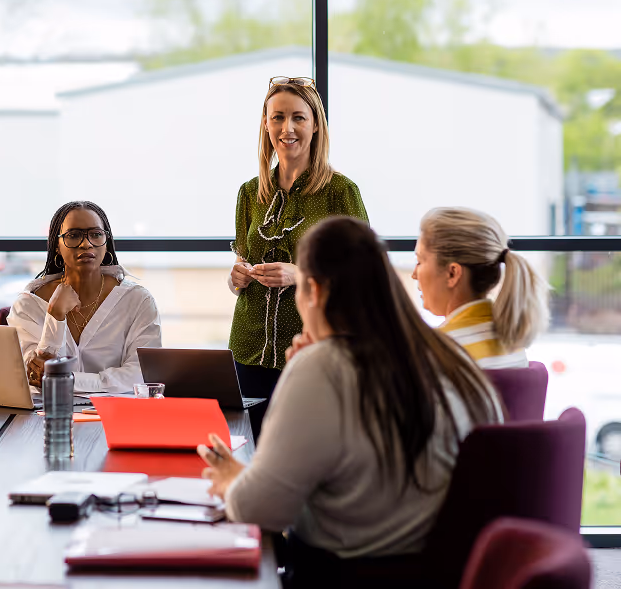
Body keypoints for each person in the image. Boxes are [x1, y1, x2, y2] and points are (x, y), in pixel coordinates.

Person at [201, 217, 502, 584]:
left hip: (347, 573)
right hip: (444, 572)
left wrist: (236, 478)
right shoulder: (453, 359)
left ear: (312, 290)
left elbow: (261, 510)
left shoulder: (324, 366)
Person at [229, 76, 368, 433]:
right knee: (255, 451)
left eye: (298, 118)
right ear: (265, 123)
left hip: (312, 349)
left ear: (316, 125)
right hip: (248, 349)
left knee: (307, 452)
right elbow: (242, 264)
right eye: (277, 117)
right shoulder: (249, 193)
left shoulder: (341, 192)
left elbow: (365, 276)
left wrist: (299, 274)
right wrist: (237, 277)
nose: (286, 128)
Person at [7, 200, 161, 393]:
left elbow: (140, 375)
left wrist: (70, 381)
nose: (86, 244)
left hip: (115, 414)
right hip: (45, 415)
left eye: (96, 234)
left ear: (106, 242)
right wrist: (55, 316)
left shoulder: (138, 301)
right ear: (57, 245)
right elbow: (36, 380)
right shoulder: (28, 305)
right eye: (74, 236)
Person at [413, 207, 548, 369]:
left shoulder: (435, 351)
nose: (414, 274)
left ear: (452, 273)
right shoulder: (514, 347)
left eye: (420, 262)